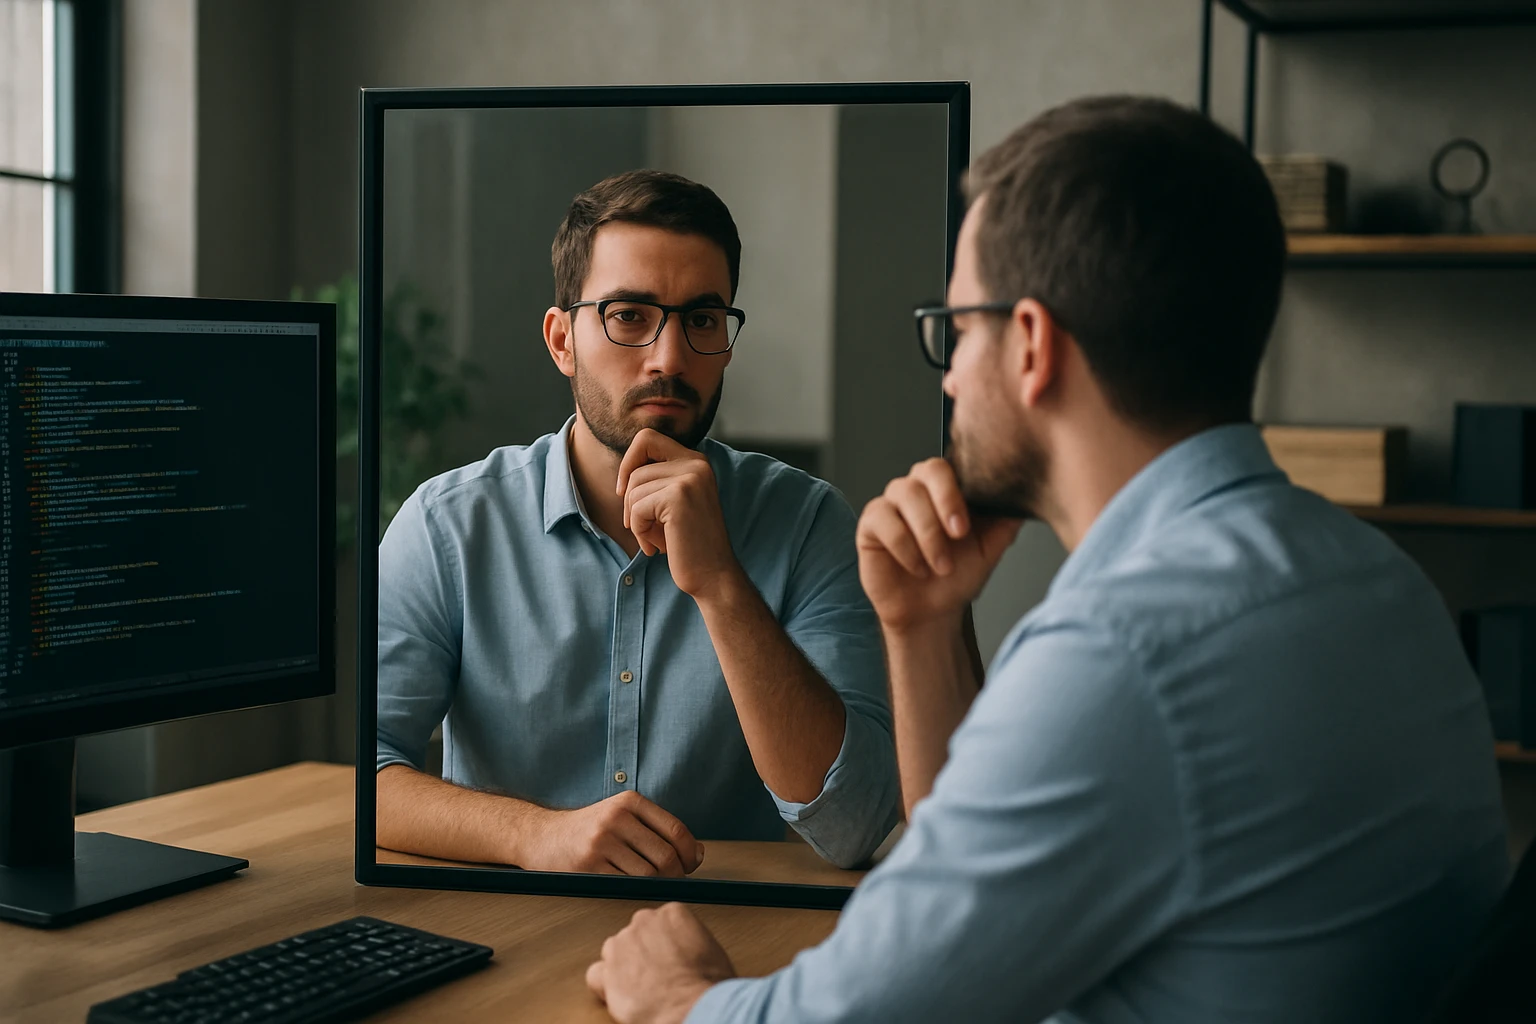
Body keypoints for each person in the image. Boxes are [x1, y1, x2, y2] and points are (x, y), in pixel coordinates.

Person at [585, 96, 1511, 1022]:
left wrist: (680, 1000)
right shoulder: (1382, 581)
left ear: (1030, 345)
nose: (947, 374)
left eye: (959, 329)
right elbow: (953, 901)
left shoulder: (1126, 653)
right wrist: (923, 628)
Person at [375, 170, 899, 875]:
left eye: (702, 320)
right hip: (505, 935)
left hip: (730, 940)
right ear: (562, 341)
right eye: (629, 315)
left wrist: (719, 582)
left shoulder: (808, 525)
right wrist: (537, 837)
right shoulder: (448, 528)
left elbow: (854, 825)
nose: (670, 358)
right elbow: (367, 778)